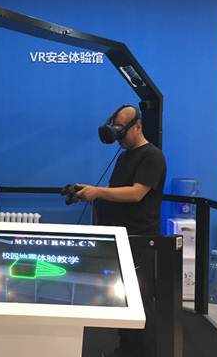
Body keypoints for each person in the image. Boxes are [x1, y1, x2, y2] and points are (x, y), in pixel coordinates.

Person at [76, 104, 166, 357]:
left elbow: (137, 193)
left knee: (140, 300)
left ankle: (144, 353)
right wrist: (90, 191)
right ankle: (126, 349)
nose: (119, 138)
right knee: (122, 299)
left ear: (138, 126)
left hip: (139, 239)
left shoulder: (153, 156)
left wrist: (98, 192)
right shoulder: (124, 156)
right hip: (119, 237)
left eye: (122, 132)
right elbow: (116, 191)